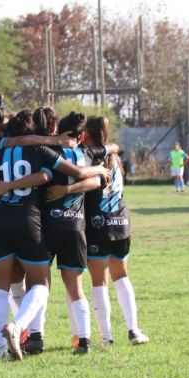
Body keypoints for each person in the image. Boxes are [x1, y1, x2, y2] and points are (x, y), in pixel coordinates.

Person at [0, 110, 108, 360]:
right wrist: (100, 170)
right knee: (41, 283)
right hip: (30, 222)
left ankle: (0, 348)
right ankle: (19, 328)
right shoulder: (40, 152)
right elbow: (51, 175)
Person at [49, 115, 149, 348]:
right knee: (122, 276)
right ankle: (133, 330)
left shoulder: (88, 154)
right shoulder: (112, 154)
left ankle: (107, 337)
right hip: (121, 220)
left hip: (97, 222)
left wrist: (66, 189)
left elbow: (91, 182)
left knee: (98, 281)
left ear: (88, 134)